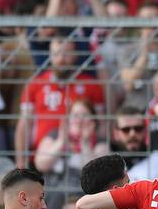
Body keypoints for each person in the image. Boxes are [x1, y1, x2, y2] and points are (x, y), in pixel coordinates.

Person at [16, 36, 106, 165]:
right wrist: (20, 162)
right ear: (50, 55)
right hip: (42, 157)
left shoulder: (91, 85)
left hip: (82, 157)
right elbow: (24, 125)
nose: (61, 59)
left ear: (75, 55)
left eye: (66, 53)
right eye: (56, 53)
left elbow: (101, 124)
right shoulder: (35, 84)